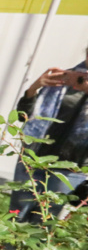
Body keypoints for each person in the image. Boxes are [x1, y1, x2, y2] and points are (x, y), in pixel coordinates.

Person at [9, 46, 88, 222]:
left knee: (46, 218)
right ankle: (6, 249)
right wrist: (34, 88)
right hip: (34, 155)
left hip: (70, 166)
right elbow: (24, 115)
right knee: (17, 213)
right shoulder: (63, 80)